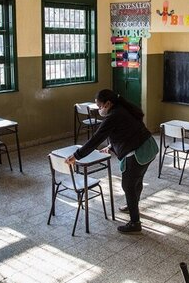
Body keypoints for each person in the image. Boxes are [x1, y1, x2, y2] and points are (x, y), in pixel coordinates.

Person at [65, 89, 158, 234]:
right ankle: (132, 205)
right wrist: (111, 146)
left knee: (128, 185)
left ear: (108, 104)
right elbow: (126, 131)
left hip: (139, 151)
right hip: (149, 147)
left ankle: (135, 222)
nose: (99, 109)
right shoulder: (121, 109)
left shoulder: (113, 116)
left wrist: (76, 155)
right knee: (136, 181)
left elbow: (96, 139)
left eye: (99, 106)